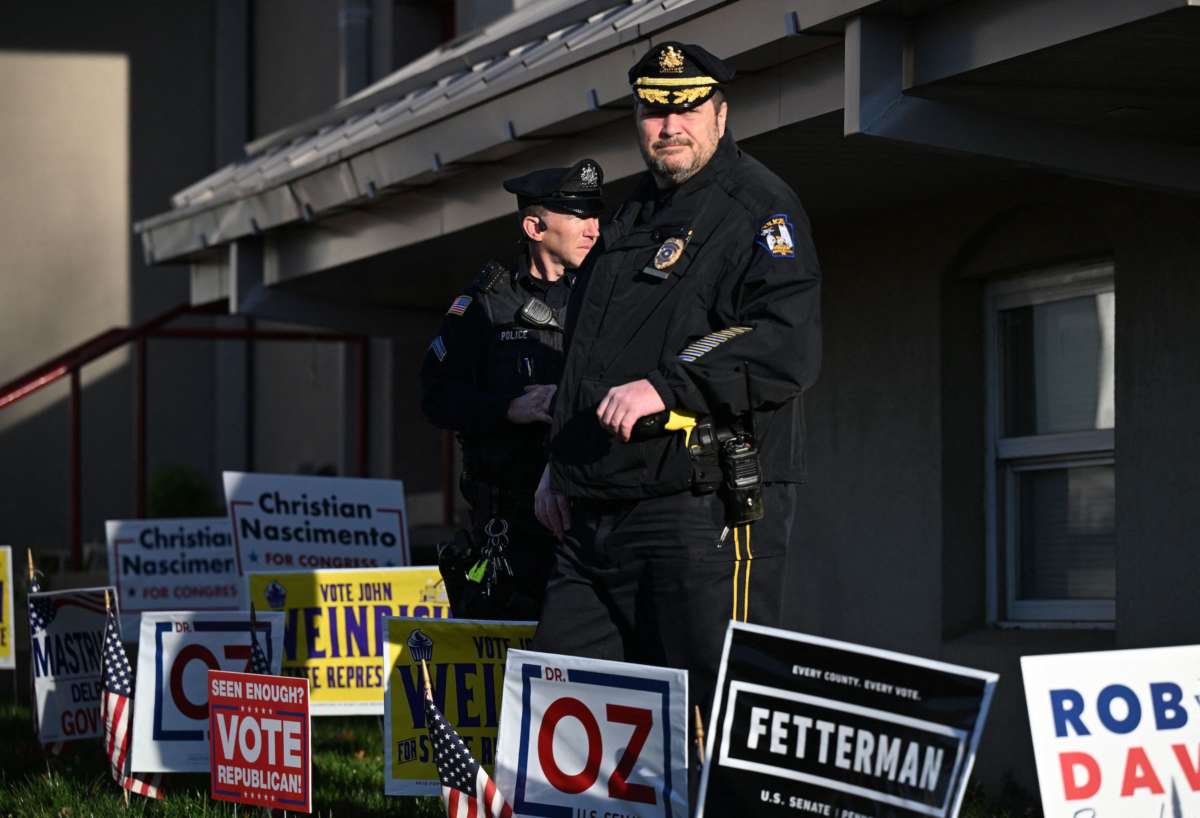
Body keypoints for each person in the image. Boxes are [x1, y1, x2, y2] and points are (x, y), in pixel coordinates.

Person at [532, 42, 822, 738]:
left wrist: (670, 386)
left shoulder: (759, 206)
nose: (669, 127)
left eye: (687, 109)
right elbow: (588, 354)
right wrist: (558, 461)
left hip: (699, 513)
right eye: (654, 112)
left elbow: (785, 341)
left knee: (724, 725)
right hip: (595, 515)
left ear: (720, 115)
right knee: (562, 715)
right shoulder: (631, 218)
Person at [420, 159, 604, 620]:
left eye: (595, 214)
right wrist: (509, 408)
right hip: (511, 526)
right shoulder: (486, 304)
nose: (593, 228)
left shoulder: (608, 297)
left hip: (593, 520)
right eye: (578, 216)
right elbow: (436, 397)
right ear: (534, 226)